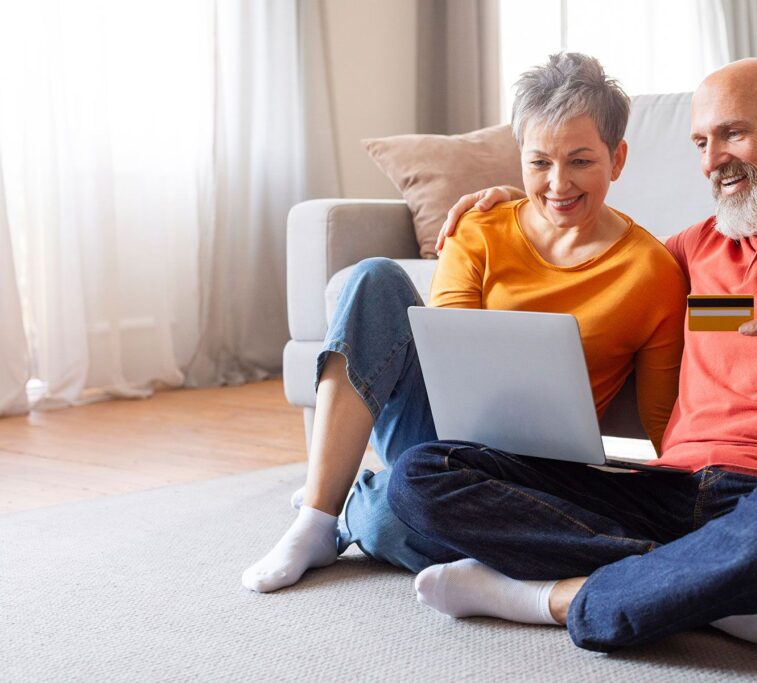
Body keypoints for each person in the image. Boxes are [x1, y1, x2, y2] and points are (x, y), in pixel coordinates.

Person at [386, 58, 757, 664]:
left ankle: (547, 598)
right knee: (422, 474)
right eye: (702, 142)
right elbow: (595, 246)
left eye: (734, 133)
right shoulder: (689, 252)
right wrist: (516, 210)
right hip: (668, 494)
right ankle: (721, 593)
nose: (713, 160)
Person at [241, 53, 688, 593]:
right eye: (540, 162)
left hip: (538, 474)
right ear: (519, 158)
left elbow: (668, 427)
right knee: (373, 277)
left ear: (617, 159)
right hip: (439, 443)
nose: (557, 184)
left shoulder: (653, 272)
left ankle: (361, 500)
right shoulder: (481, 226)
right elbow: (443, 363)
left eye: (581, 161)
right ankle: (316, 520)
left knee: (385, 520)